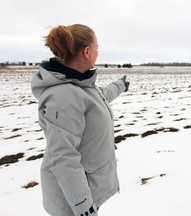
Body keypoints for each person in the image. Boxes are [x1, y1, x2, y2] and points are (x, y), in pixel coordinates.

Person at [31, 24, 129, 216]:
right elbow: (64, 157)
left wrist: (120, 85)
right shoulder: (64, 96)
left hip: (87, 188)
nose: (98, 52)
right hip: (73, 203)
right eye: (97, 48)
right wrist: (83, 207)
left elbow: (100, 96)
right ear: (86, 52)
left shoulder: (80, 85)